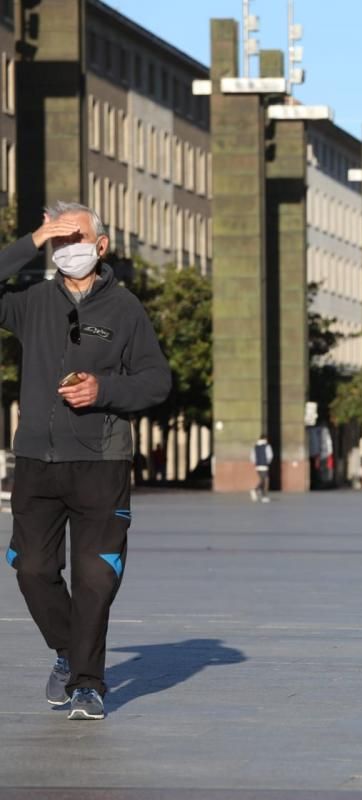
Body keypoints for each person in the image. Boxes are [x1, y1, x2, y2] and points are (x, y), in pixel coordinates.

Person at [2, 202, 171, 721]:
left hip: (101, 462)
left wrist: (104, 389)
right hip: (36, 460)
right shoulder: (30, 302)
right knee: (30, 568)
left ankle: (88, 684)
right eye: (57, 240)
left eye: (74, 237)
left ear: (101, 246)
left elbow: (156, 381)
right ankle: (68, 652)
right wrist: (31, 240)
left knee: (96, 577)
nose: (65, 248)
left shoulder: (126, 309)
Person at [250, 434, 273, 503]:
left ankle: (261, 494)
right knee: (266, 480)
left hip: (258, 466)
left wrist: (255, 463)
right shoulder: (267, 446)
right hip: (264, 465)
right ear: (265, 438)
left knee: (262, 480)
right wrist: (267, 462)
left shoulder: (255, 446)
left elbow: (252, 457)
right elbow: (270, 456)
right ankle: (259, 492)